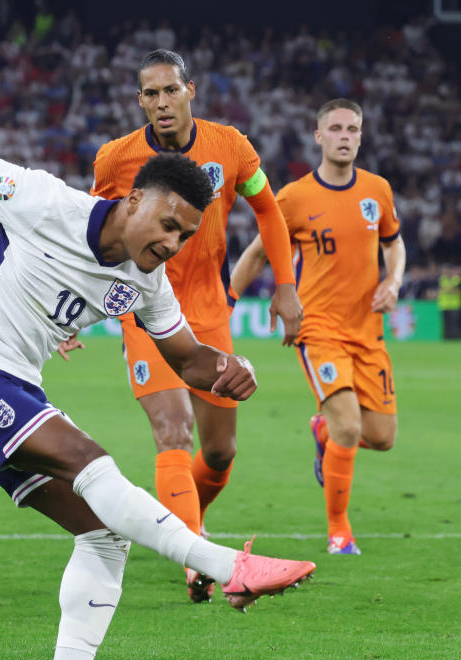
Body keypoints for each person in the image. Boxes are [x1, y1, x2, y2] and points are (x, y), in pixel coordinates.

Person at [0, 147, 316, 660]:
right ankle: (226, 563)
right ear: (132, 201)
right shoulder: (46, 201)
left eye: (184, 234)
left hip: (14, 387)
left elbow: (189, 361)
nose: (172, 242)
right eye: (167, 223)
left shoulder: (147, 284)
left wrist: (230, 367)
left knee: (102, 534)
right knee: (90, 462)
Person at [88, 49, 301, 603]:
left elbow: (269, 211)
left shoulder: (229, 146)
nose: (161, 102)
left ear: (190, 91)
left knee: (222, 451)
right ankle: (195, 560)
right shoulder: (115, 159)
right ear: (140, 100)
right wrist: (69, 311)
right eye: (150, 94)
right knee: (172, 427)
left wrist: (285, 285)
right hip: (142, 307)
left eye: (170, 91)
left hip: (208, 312)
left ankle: (186, 521)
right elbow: (89, 236)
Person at [230, 98, 405, 556]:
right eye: (336, 129)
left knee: (382, 438)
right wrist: (226, 301)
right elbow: (256, 253)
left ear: (361, 136)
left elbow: (394, 242)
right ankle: (339, 531)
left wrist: (395, 279)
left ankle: (321, 432)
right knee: (349, 426)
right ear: (319, 136)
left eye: (352, 129)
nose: (345, 136)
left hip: (368, 332)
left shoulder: (377, 191)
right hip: (319, 328)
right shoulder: (294, 197)